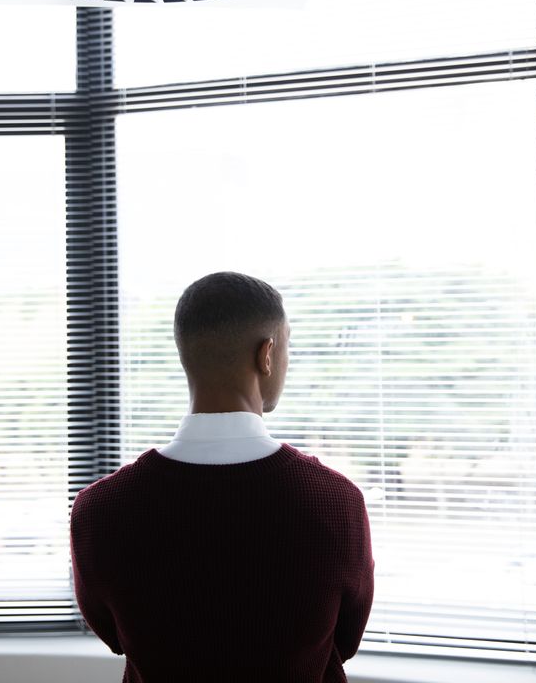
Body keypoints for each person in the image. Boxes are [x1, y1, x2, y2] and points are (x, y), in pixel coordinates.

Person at [69, 271, 375, 683]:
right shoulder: (336, 502)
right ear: (266, 354)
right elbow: (346, 640)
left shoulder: (98, 510)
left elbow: (117, 637)